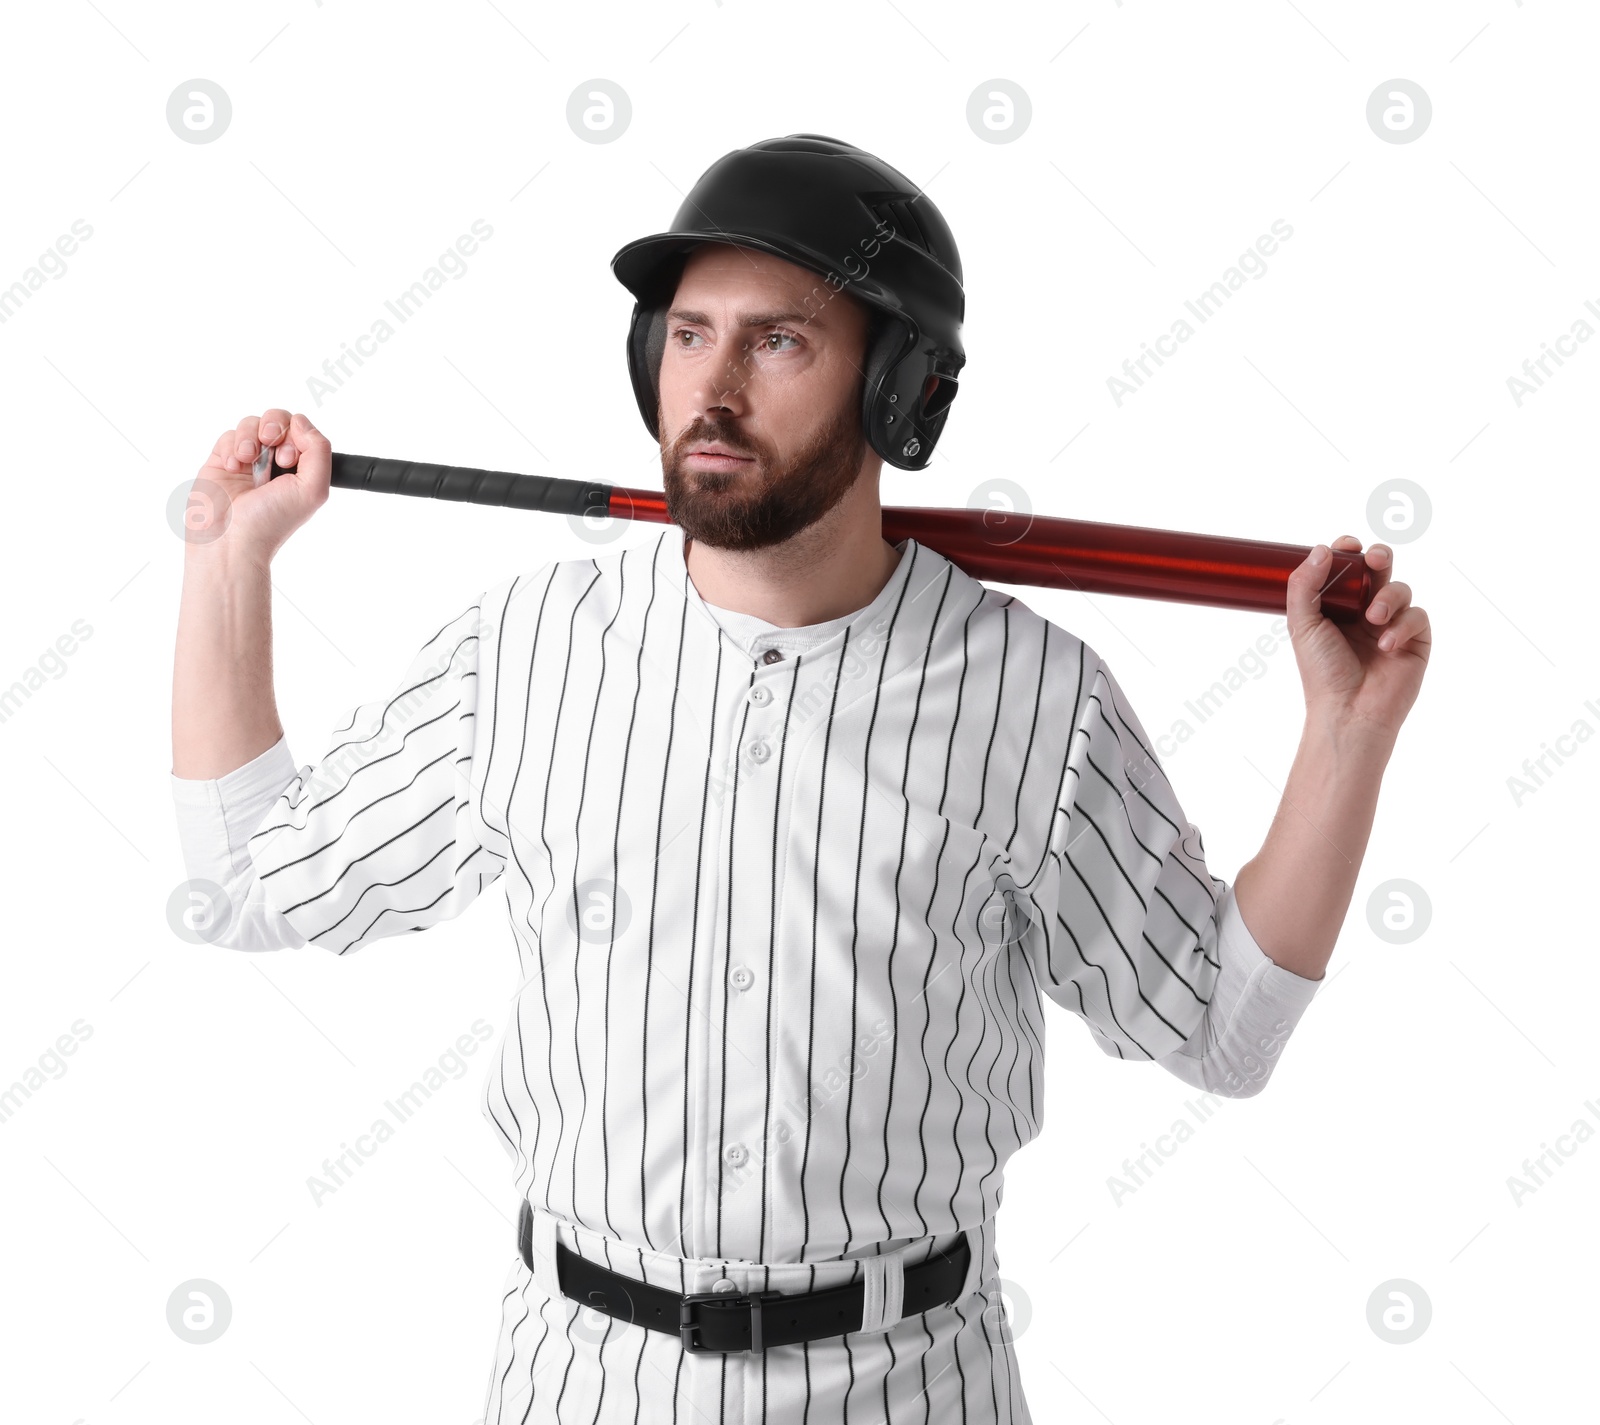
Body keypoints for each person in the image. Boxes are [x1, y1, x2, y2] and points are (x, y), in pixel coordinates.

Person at [170, 135, 1430, 1424]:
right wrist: (231, 560)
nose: (710, 388)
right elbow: (250, 888)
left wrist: (1348, 735)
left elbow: (1219, 1026)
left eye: (779, 342)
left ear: (898, 393)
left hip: (909, 1387)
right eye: (688, 334)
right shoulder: (529, 653)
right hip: (582, 1384)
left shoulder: (1035, 699)